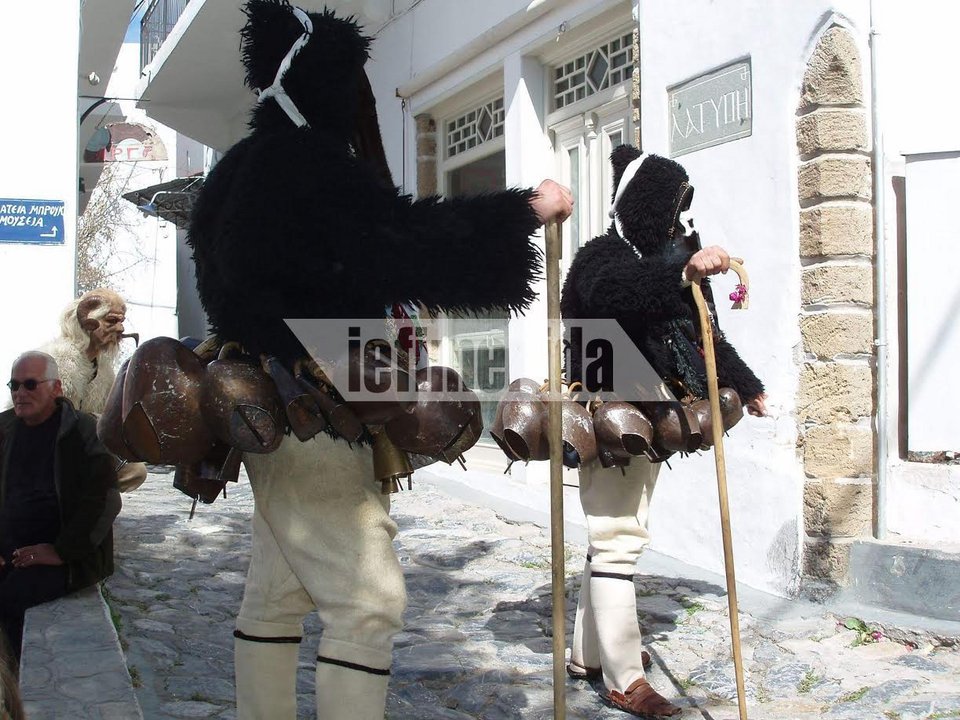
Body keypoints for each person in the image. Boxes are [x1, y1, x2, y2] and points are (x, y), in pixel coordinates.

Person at [174, 3, 572, 718]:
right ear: (326, 81)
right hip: (309, 399)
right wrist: (520, 212)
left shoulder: (239, 167)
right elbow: (402, 240)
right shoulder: (307, 166)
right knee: (369, 604)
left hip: (270, 391)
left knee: (277, 594)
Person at [561, 147, 766, 718]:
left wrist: (746, 385)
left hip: (646, 418)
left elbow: (699, 334)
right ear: (645, 206)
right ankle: (625, 677)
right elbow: (615, 291)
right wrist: (682, 269)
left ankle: (586, 655)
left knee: (612, 535)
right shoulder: (602, 256)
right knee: (617, 539)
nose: (678, 222)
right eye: (670, 209)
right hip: (608, 417)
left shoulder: (661, 262)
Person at [0, 351, 121, 664]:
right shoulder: (5, 428)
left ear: (56, 388)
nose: (20, 393)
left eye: (30, 384)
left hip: (63, 556)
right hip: (10, 550)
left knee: (12, 597)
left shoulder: (82, 431)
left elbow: (104, 499)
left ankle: (16, 686)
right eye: (14, 385)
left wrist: (61, 551)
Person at [38, 289, 147, 493]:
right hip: (49, 449)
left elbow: (109, 417)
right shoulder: (58, 360)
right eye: (111, 321)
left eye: (121, 321)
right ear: (89, 322)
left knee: (134, 471)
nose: (121, 328)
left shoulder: (103, 366)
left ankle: (88, 497)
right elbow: (52, 423)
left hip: (85, 445)